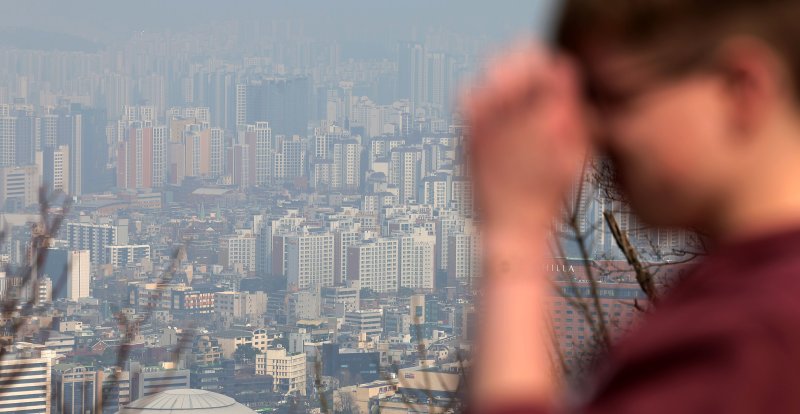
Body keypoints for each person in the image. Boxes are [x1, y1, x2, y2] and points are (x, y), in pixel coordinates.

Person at [465, 0, 800, 412]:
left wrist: (514, 239)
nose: (596, 135)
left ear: (740, 89)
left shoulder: (749, 335)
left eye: (615, 99)